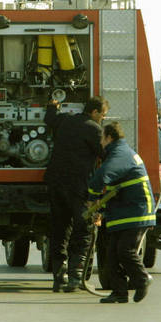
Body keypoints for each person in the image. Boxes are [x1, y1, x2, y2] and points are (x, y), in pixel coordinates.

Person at [44, 95, 108, 292]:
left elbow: (50, 120)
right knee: (83, 229)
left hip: (55, 182)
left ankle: (59, 275)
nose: (103, 119)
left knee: (59, 228)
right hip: (78, 186)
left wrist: (52, 106)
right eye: (103, 115)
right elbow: (104, 154)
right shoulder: (93, 128)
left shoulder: (65, 120)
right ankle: (75, 276)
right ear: (95, 112)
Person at [88, 122, 155, 303]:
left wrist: (91, 197)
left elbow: (102, 177)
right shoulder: (118, 154)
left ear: (109, 137)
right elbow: (114, 189)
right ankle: (120, 292)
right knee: (112, 254)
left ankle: (142, 279)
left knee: (125, 251)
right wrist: (100, 210)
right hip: (124, 213)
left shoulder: (120, 154)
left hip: (137, 213)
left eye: (102, 138)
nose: (100, 143)